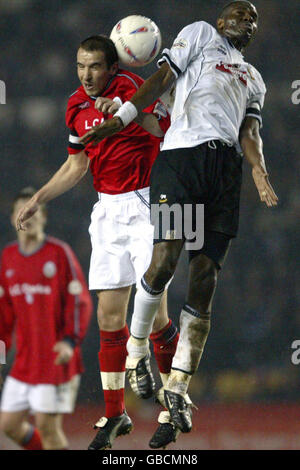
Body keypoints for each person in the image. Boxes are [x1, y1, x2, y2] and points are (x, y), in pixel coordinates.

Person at [78, 1, 279, 448]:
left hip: (225, 174)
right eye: (239, 12)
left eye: (254, 18)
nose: (246, 19)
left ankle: (179, 393)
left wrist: (259, 171)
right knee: (165, 258)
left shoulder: (255, 79)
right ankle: (135, 351)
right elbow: (164, 78)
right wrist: (121, 119)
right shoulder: (201, 33)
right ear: (222, 17)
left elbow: (250, 132)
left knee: (204, 281)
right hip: (182, 159)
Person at [15, 36, 180, 450]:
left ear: (112, 68)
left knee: (154, 313)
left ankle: (175, 402)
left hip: (149, 202)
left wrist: (127, 115)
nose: (86, 75)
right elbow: (77, 164)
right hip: (106, 211)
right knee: (109, 319)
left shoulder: (136, 90)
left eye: (94, 67)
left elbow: (166, 130)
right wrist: (39, 198)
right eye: (79, 66)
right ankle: (115, 414)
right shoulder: (75, 105)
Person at [0, 187, 92, 450]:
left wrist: (69, 341)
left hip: (55, 359)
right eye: (22, 211)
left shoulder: (59, 253)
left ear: (44, 217)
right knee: (9, 425)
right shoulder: (8, 258)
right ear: (12, 219)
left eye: (33, 211)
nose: (27, 216)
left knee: (48, 428)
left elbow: (80, 301)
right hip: (24, 362)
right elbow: (3, 317)